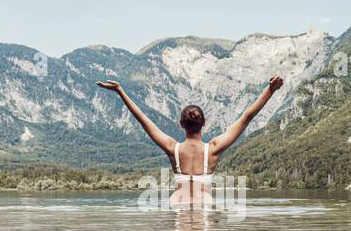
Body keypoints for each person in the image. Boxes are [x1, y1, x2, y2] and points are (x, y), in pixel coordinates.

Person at [97, 76, 284, 207]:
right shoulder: (213, 150)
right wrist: (270, 90)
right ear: (204, 123)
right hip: (205, 205)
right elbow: (246, 118)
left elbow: (144, 120)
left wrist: (120, 91)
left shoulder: (173, 149)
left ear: (181, 124)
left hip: (178, 205)